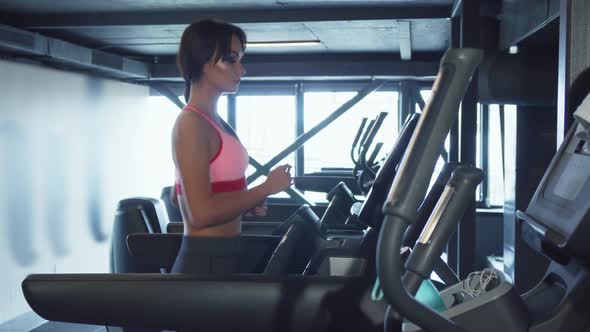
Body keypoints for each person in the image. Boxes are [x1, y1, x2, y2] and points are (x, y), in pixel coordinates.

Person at [170, 19, 292, 274]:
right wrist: (265, 188)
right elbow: (200, 215)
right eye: (231, 59)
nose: (242, 70)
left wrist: (245, 202)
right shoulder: (191, 124)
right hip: (205, 261)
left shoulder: (214, 122)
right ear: (203, 63)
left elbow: (177, 195)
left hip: (225, 253)